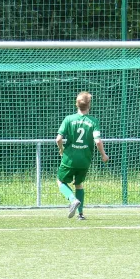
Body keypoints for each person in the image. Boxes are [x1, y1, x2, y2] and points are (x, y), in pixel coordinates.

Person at [56, 91, 109, 220]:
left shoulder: (69, 119)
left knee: (60, 181)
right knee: (79, 184)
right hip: (85, 159)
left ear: (76, 104)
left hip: (70, 158)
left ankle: (72, 199)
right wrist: (103, 155)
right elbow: (97, 141)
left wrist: (61, 149)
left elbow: (58, 139)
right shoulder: (94, 121)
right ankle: (80, 215)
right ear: (89, 105)